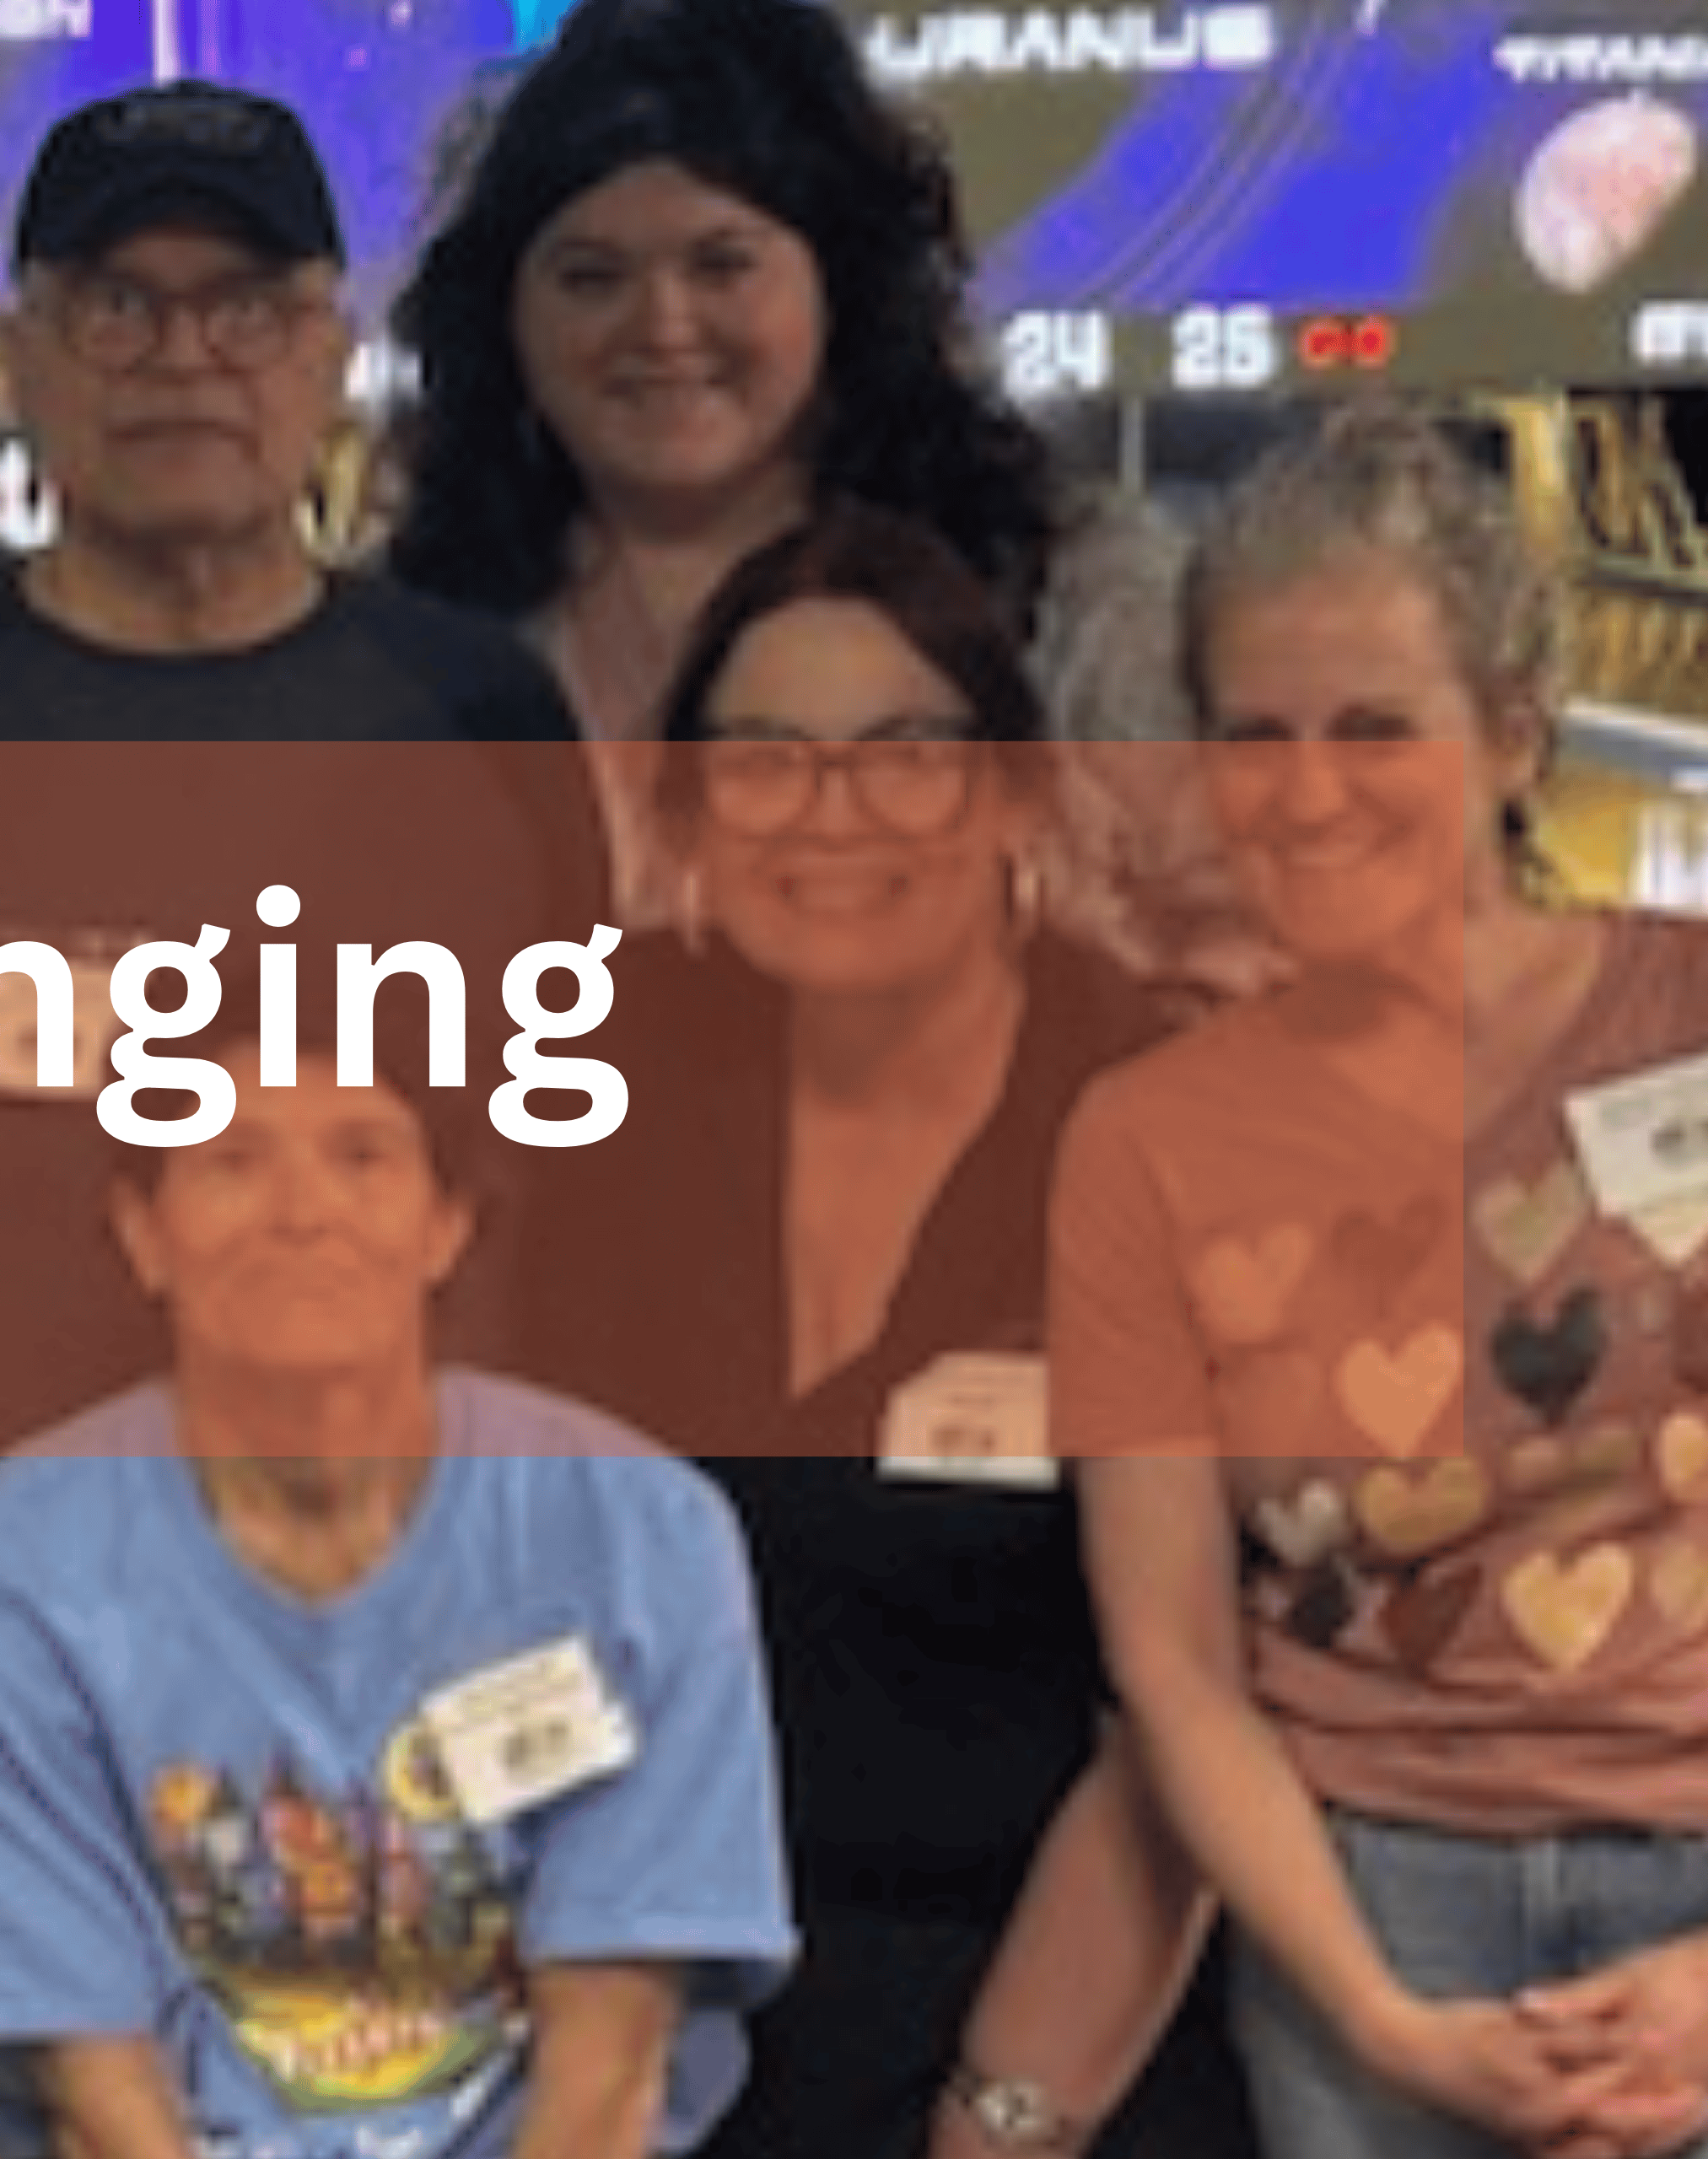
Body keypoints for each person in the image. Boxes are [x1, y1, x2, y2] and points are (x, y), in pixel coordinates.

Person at [0, 81, 606, 2159]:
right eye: (120, 309)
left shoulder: (474, 715)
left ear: (331, 350)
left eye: (239, 308)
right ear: (16, 356)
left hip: (394, 1711)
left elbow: (566, 1197)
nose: (182, 361)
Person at [1058, 411, 1708, 2159]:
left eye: (1373, 729)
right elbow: (1175, 1653)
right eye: (1254, 734)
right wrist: (1372, 2006)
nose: (1309, 788)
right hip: (1382, 1925)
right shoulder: (1147, 1139)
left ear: (1512, 727)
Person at [519, 508, 1256, 2159]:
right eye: (763, 758)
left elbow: (1194, 1723)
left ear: (1009, 789)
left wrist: (1004, 2117)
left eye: (904, 753)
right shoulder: (599, 1078)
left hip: (1052, 2016)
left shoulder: (1150, 1116)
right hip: (654, 1997)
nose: (831, 815)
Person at [0, 1077, 795, 2159]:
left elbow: (608, 2069)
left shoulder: (639, 1535)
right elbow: (99, 2095)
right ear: (142, 1232)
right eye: (231, 1162)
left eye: (362, 1157)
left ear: (448, 1226)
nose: (302, 1209)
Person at [380, 0, 1246, 983]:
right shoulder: (410, 645)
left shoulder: (1070, 599)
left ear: (842, 287)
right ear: (505, 321)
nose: (663, 325)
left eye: (722, 265)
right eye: (592, 277)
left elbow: (1256, 949)